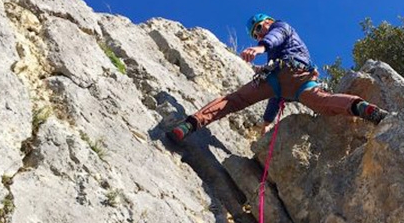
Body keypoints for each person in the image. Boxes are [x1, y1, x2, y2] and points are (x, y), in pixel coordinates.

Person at [166, 13, 389, 144]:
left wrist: (260, 47)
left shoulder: (281, 27)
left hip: (287, 71)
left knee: (234, 100)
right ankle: (363, 109)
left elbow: (275, 36)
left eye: (259, 28)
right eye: (255, 34)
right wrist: (267, 122)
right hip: (296, 82)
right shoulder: (275, 47)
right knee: (322, 101)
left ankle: (190, 124)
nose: (259, 33)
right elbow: (276, 95)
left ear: (269, 21)